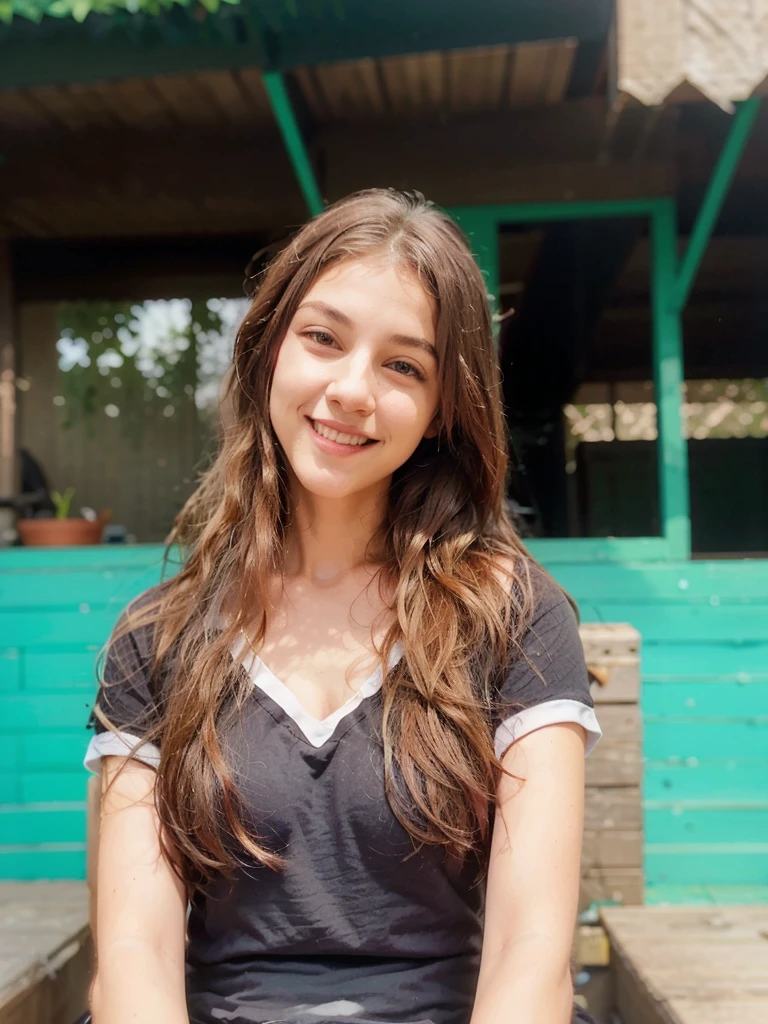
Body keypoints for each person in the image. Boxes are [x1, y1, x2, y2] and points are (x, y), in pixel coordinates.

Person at [84, 190, 601, 1024]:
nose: (352, 389)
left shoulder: (511, 618)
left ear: (441, 411)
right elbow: (133, 956)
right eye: (323, 338)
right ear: (269, 355)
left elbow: (530, 954)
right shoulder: (158, 640)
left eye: (405, 366)